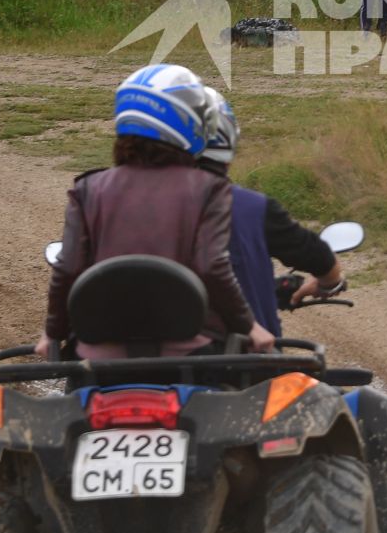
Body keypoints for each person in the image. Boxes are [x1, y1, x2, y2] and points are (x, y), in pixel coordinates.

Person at [35, 65, 275, 360]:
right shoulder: (209, 189)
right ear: (188, 121)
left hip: (100, 357)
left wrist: (53, 332)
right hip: (191, 354)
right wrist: (249, 326)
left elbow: (68, 268)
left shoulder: (88, 189)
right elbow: (212, 267)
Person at [192, 87, 344, 338]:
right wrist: (330, 280)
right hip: (239, 365)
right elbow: (316, 255)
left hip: (116, 366)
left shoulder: (107, 197)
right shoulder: (249, 207)